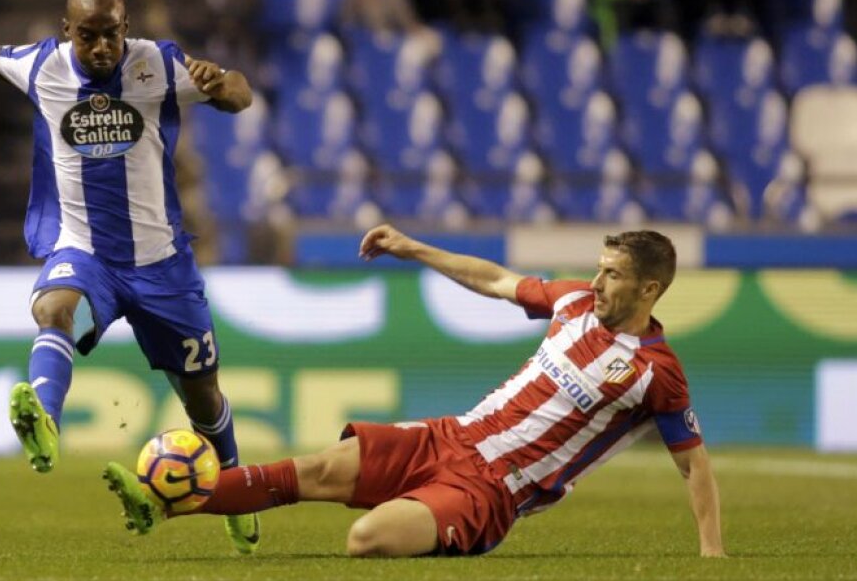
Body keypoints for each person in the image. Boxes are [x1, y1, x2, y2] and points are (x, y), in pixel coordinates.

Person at [0, 0, 260, 554]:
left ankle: (236, 491)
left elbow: (239, 94)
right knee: (54, 308)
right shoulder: (44, 66)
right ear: (68, 33)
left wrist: (220, 83)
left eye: (111, 35)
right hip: (87, 253)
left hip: (163, 265)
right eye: (88, 37)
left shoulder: (157, 65)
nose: (101, 48)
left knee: (203, 397)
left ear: (126, 27)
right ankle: (45, 421)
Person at [104, 225, 725, 559]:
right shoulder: (571, 300)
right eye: (598, 267)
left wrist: (711, 552)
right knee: (316, 468)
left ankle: (439, 523)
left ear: (649, 291)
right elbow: (497, 280)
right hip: (450, 436)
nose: (596, 281)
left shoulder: (656, 373)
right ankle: (163, 504)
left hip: (491, 489)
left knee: (366, 539)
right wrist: (411, 246)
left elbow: (692, 463)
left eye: (612, 275)